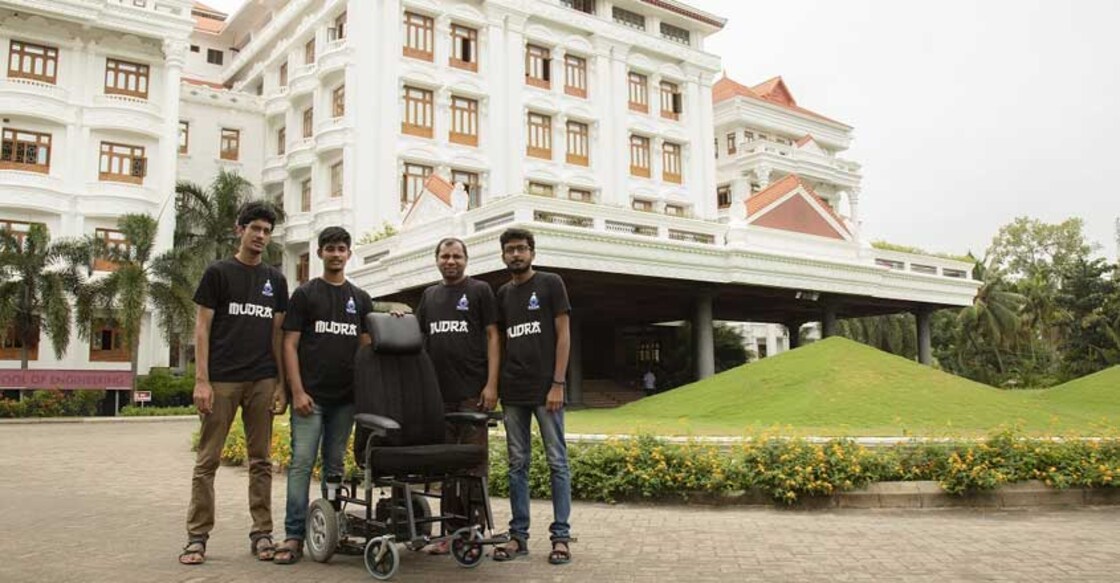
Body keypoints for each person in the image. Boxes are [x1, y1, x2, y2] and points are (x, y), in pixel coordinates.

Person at [181, 201, 288, 566]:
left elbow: (277, 335)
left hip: (262, 379)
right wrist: (202, 381)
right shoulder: (218, 273)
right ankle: (197, 538)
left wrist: (280, 384)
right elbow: (202, 328)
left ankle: (262, 533)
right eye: (255, 228)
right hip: (222, 381)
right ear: (240, 230)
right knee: (207, 461)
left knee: (261, 461)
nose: (261, 236)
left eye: (267, 231)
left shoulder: (276, 280)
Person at [275, 227, 373, 565]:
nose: (336, 254)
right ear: (320, 253)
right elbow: (289, 345)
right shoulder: (305, 295)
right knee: (302, 464)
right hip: (310, 400)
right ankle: (293, 535)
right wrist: (297, 391)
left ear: (349, 254)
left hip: (345, 401)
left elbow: (366, 348)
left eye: (341, 249)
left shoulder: (360, 298)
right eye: (330, 248)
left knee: (334, 466)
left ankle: (330, 531)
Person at [491, 228, 574, 565]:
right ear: (503, 255)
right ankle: (518, 536)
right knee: (517, 464)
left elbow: (564, 335)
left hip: (546, 390)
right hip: (513, 390)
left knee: (557, 462)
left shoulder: (551, 283)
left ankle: (561, 537)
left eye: (521, 249)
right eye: (510, 250)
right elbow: (500, 341)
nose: (516, 254)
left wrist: (558, 383)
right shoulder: (502, 294)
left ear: (532, 253)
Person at [414, 237, 499, 554]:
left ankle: (473, 533)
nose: (450, 261)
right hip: (439, 397)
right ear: (436, 259)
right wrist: (399, 318)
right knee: (447, 466)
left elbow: (493, 336)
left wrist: (491, 385)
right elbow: (418, 336)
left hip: (472, 394)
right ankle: (450, 534)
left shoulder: (480, 291)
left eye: (456, 256)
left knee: (473, 465)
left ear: (466, 259)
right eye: (445, 256)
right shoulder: (429, 295)